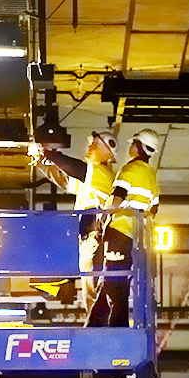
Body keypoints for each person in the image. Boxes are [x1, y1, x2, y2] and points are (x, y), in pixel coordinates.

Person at [29, 129, 117, 307]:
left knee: (93, 285)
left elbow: (75, 168)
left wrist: (49, 153)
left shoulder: (103, 174)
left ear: (108, 151)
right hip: (85, 239)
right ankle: (91, 319)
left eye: (95, 143)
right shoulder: (89, 178)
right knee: (89, 285)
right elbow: (63, 179)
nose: (89, 146)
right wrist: (40, 161)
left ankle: (97, 326)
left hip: (96, 239)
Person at [88, 129, 161, 327]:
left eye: (133, 142)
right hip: (134, 239)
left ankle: (118, 331)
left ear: (137, 146)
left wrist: (101, 215)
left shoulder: (129, 170)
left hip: (118, 233)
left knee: (113, 284)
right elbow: (153, 210)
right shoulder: (151, 176)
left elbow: (116, 199)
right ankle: (93, 327)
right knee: (111, 283)